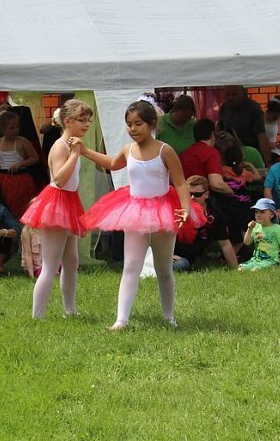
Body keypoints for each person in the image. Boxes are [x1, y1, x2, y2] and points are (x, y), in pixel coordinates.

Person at [79, 100, 198, 330]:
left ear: (152, 124)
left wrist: (185, 208)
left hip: (163, 211)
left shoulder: (165, 150)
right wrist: (85, 151)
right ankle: (121, 319)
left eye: (138, 124)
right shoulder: (128, 149)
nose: (133, 129)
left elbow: (181, 183)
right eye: (129, 124)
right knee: (131, 266)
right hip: (135, 212)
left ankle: (168, 316)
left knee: (164, 269)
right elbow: (112, 164)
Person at [21, 99, 92, 318]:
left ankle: (69, 310)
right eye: (82, 120)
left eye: (89, 120)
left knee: (71, 262)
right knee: (51, 265)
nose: (87, 124)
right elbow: (60, 179)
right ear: (68, 121)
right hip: (57, 204)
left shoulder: (73, 144)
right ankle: (37, 315)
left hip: (69, 202)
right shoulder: (61, 147)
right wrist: (74, 155)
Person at [0, 110, 39, 218]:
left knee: (20, 206)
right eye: (11, 128)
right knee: (4, 204)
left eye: (17, 127)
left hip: (20, 178)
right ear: (3, 130)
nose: (15, 130)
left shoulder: (22, 141)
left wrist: (21, 164)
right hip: (3, 177)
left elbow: (35, 158)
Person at [173, 176, 237, 270]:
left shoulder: (214, 216)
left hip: (186, 259)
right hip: (168, 255)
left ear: (206, 194)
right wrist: (168, 255)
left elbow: (225, 244)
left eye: (197, 195)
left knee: (183, 264)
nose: (192, 198)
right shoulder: (177, 210)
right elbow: (158, 237)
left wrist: (235, 268)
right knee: (181, 265)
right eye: (189, 194)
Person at [217, 85, 270, 166]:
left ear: (244, 92)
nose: (230, 97)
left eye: (234, 94)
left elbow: (261, 136)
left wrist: (268, 162)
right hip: (229, 155)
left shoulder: (253, 108)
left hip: (250, 154)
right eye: (228, 94)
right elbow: (219, 130)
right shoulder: (224, 107)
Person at [239, 198, 280, 270]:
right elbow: (247, 242)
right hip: (256, 260)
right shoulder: (255, 227)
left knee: (255, 270)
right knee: (241, 268)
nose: (258, 215)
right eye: (256, 212)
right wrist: (249, 229)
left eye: (262, 212)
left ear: (271, 214)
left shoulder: (278, 229)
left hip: (271, 260)